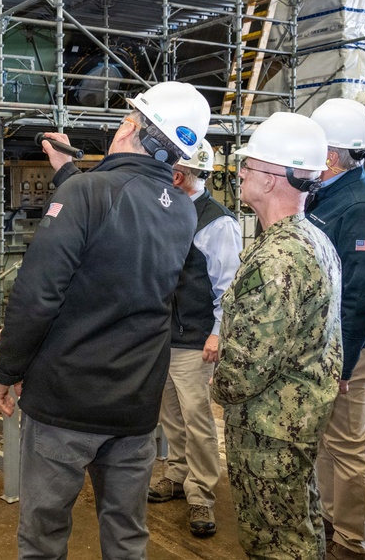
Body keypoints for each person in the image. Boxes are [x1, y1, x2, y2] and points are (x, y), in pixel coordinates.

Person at [0, 81, 211, 559]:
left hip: (67, 401)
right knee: (126, 535)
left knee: (44, 534)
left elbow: (37, 294)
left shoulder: (87, 194)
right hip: (134, 406)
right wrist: (67, 172)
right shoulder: (183, 215)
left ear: (129, 126)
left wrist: (7, 371)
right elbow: (185, 295)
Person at [211, 111, 343, 560]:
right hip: (296, 419)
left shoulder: (278, 257)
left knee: (276, 542)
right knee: (299, 526)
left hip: (270, 430)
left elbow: (246, 368)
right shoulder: (314, 240)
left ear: (270, 180)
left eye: (247, 166)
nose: (240, 173)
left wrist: (218, 387)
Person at [306, 98, 365, 560]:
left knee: (347, 444)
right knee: (326, 438)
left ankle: (355, 542)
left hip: (348, 347)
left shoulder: (359, 206)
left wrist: (341, 359)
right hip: (328, 343)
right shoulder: (333, 193)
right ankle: (330, 519)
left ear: (333, 156)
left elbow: (362, 296)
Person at [146, 139, 242, 539]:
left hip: (195, 338)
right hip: (163, 336)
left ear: (180, 175)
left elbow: (229, 286)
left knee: (197, 417)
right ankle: (177, 471)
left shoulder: (216, 222)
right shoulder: (165, 210)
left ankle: (201, 491)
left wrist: (218, 334)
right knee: (170, 413)